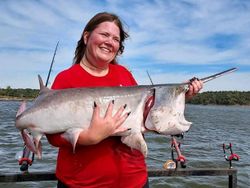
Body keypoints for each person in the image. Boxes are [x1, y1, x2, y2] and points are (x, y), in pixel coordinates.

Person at [46, 12, 203, 188]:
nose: (109, 42)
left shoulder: (124, 74)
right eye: (104, 34)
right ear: (86, 36)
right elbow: (52, 136)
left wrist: (177, 96)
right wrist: (88, 137)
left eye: (115, 38)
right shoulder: (66, 79)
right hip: (82, 183)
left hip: (135, 181)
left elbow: (145, 117)